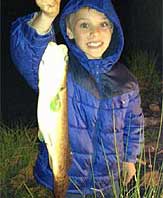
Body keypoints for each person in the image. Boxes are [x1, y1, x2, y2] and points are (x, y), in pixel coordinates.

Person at [10, 0, 144, 197]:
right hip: (67, 179)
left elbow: (134, 125)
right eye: (84, 25)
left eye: (103, 24)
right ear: (69, 31)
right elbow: (28, 54)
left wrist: (129, 160)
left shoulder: (127, 82)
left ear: (113, 29)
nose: (95, 32)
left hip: (108, 182)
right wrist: (45, 18)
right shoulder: (63, 74)